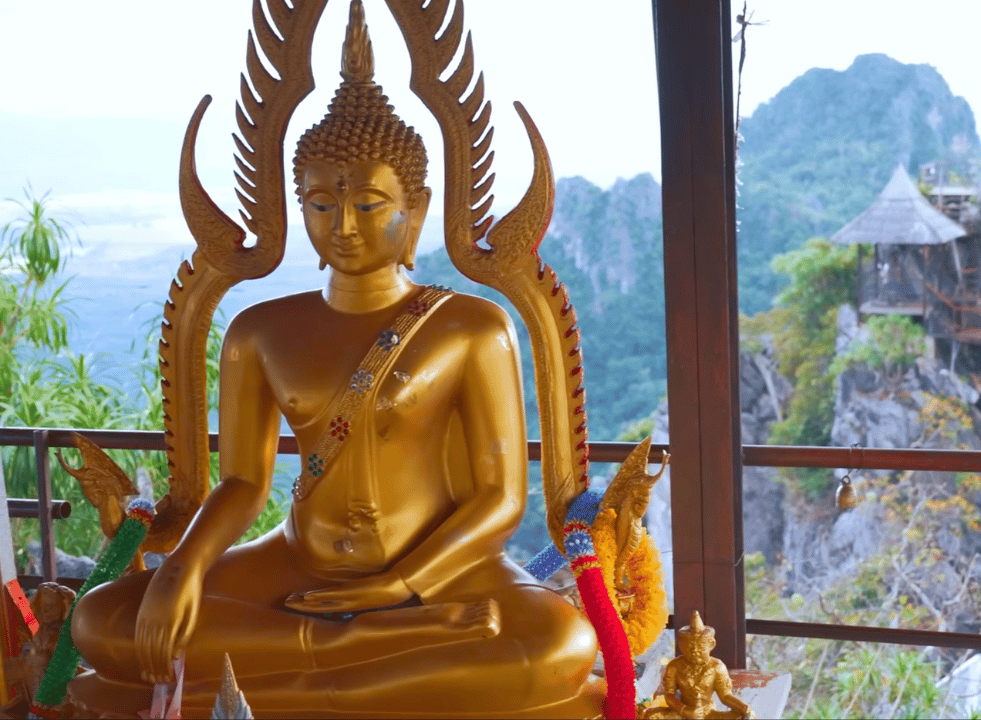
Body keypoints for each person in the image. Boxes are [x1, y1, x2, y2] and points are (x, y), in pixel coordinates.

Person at [67, 4, 599, 717]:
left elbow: (499, 500)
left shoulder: (472, 327)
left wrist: (397, 587)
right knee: (102, 620)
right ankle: (373, 654)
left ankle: (312, 665)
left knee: (556, 643)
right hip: (296, 567)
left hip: (442, 578)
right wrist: (182, 568)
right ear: (296, 208)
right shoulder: (260, 330)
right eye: (320, 204)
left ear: (419, 205)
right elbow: (245, 481)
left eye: (371, 203)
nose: (343, 226)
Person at [644, 612, 751, 720]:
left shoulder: (717, 667)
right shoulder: (675, 666)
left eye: (701, 647)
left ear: (711, 645)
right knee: (651, 716)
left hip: (709, 714)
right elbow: (669, 695)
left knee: (744, 717)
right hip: (683, 713)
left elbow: (725, 696)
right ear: (681, 646)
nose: (695, 651)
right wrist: (684, 711)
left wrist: (744, 708)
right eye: (690, 647)